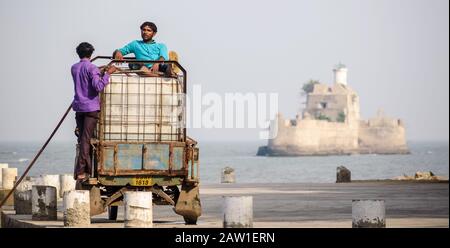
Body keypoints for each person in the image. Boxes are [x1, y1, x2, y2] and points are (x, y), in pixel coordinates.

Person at [72, 42, 117, 182]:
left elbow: (85, 74)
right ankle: (81, 171)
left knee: (82, 139)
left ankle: (87, 169)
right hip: (91, 108)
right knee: (86, 139)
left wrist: (98, 70)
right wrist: (107, 74)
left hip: (79, 107)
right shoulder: (92, 68)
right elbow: (98, 86)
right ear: (91, 54)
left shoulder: (74, 68)